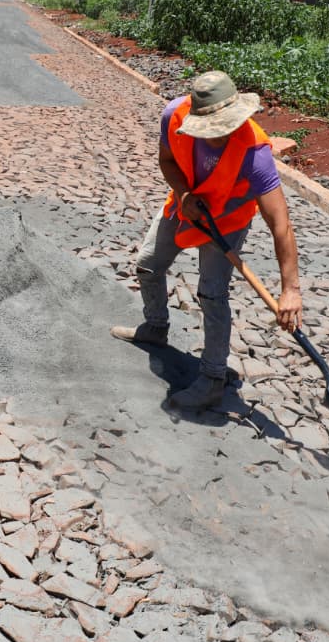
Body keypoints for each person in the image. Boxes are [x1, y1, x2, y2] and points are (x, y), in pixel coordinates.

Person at [111, 70, 302, 410]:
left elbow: (281, 224)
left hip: (227, 219)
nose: (219, 136)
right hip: (187, 204)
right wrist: (183, 194)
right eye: (211, 130)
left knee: (211, 294)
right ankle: (155, 326)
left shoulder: (254, 152)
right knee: (148, 265)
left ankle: (213, 377)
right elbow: (167, 160)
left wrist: (290, 290)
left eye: (225, 127)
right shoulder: (174, 117)